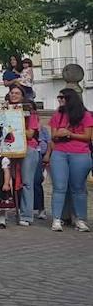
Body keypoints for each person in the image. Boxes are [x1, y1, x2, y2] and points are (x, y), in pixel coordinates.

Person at [48, 87, 93, 232]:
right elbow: (53, 136)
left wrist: (69, 134)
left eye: (62, 97)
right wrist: (59, 134)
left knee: (78, 187)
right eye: (58, 97)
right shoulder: (57, 115)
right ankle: (56, 218)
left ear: (70, 99)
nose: (59, 100)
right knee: (59, 187)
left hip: (80, 153)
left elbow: (87, 137)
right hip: (60, 152)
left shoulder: (85, 115)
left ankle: (80, 219)